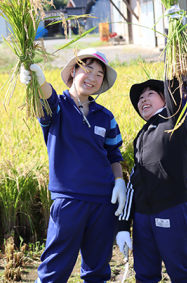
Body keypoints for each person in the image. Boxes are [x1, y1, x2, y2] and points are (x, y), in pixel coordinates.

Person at [20, 48, 126, 283]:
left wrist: (119, 181)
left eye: (99, 74)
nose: (93, 77)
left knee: (98, 268)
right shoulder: (58, 108)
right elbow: (47, 99)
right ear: (72, 72)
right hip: (69, 201)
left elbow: (113, 154)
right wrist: (39, 82)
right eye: (87, 70)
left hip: (102, 201)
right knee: (55, 268)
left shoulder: (105, 116)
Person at [116, 77, 187, 283]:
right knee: (144, 275)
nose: (143, 99)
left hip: (171, 209)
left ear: (166, 99)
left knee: (181, 273)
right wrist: (123, 226)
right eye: (140, 98)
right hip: (143, 216)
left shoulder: (173, 122)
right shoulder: (141, 136)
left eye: (150, 94)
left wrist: (176, 59)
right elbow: (134, 182)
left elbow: (176, 91)